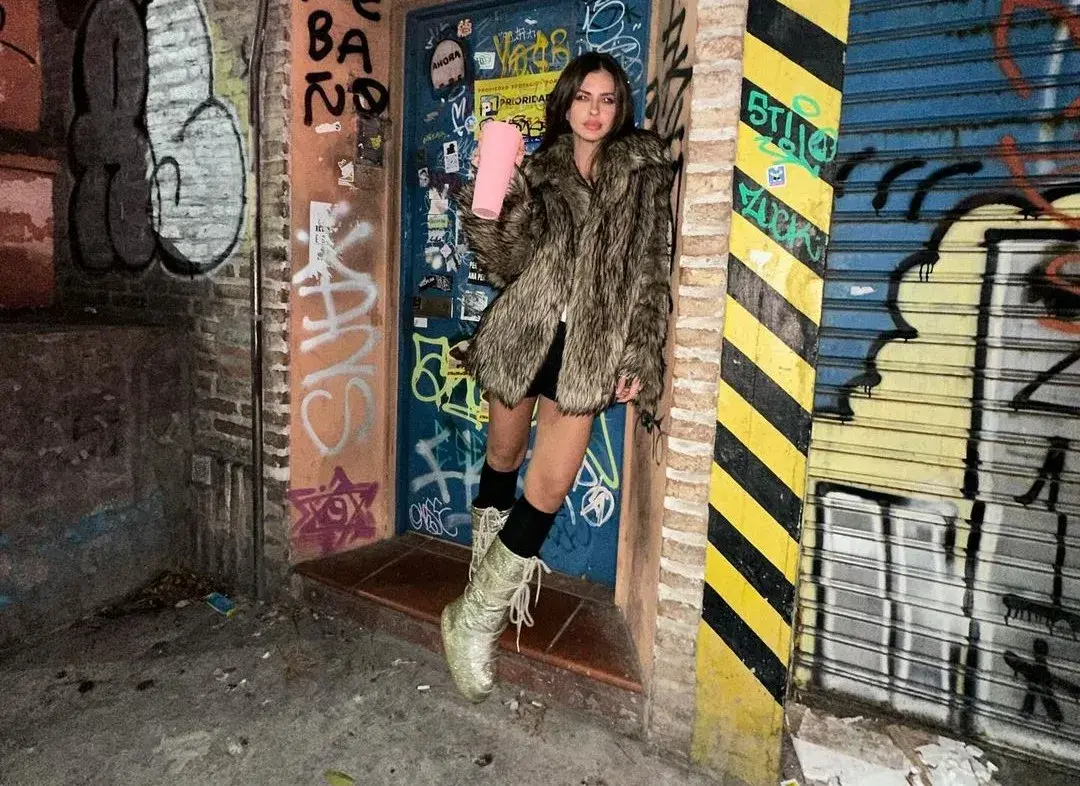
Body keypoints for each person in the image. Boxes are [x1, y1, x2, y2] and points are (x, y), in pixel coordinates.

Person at [441, 52, 673, 703]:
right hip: (525, 333)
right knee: (502, 460)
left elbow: (651, 272)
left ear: (619, 108)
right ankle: (479, 590)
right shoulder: (540, 171)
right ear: (566, 105)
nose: (594, 111)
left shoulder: (644, 173)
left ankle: (474, 621)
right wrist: (499, 196)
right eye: (583, 98)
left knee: (547, 489)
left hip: (589, 348)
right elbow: (504, 264)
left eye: (607, 99)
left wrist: (640, 353)